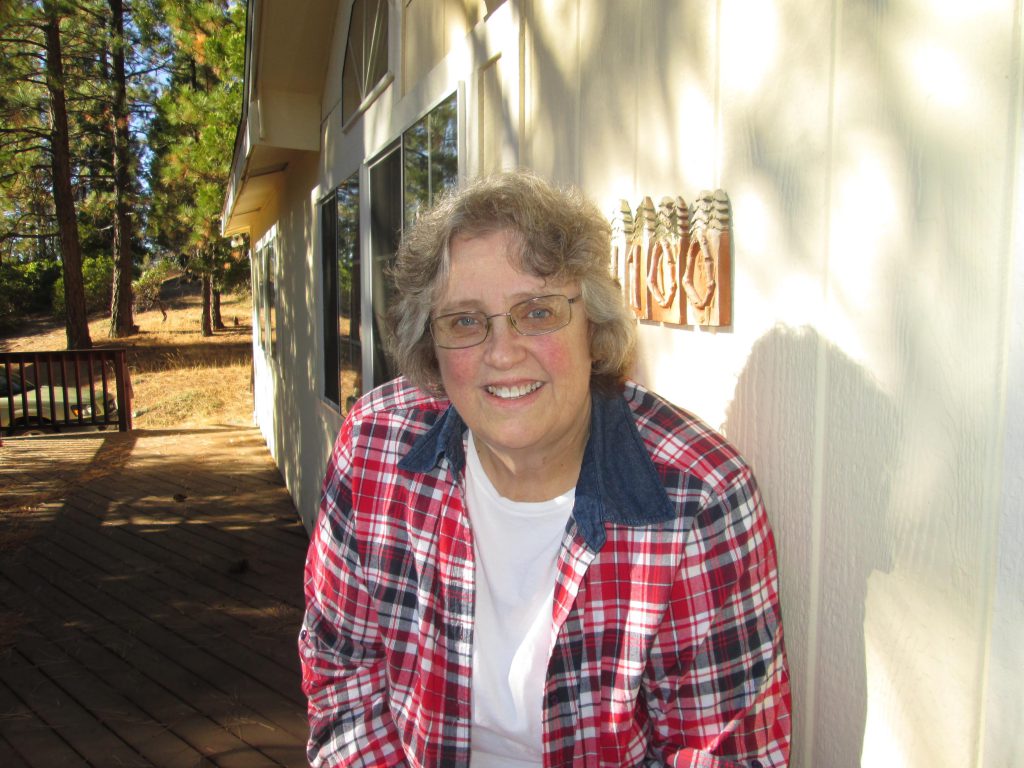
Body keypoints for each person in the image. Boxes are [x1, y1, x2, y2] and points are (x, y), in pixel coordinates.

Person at [299, 170, 791, 767]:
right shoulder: (373, 447)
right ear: (431, 346)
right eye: (464, 321)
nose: (502, 353)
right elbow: (342, 670)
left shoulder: (700, 500)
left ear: (594, 325)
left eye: (537, 312)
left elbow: (723, 753)